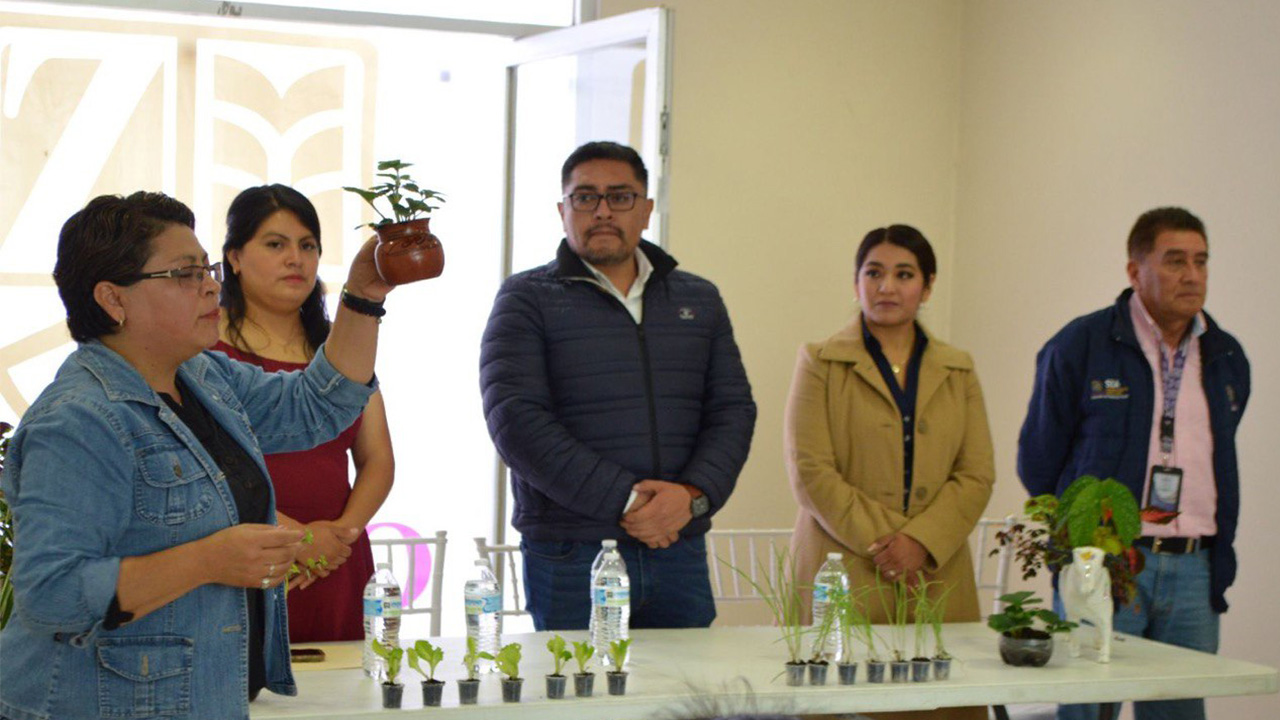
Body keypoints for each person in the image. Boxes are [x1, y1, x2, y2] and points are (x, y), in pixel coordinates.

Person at [0, 191, 392, 720]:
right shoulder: (78, 421)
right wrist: (208, 560)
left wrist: (363, 296)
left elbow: (316, 407)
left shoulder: (202, 375)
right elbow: (52, 594)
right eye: (185, 274)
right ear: (114, 300)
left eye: (205, 267)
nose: (211, 284)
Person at [480, 140, 756, 630]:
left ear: (646, 209)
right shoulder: (526, 298)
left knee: (684, 698)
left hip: (679, 543)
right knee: (579, 699)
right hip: (571, 553)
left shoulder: (699, 298)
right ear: (562, 211)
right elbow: (516, 421)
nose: (603, 211)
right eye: (585, 197)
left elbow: (732, 410)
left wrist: (689, 498)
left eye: (621, 197)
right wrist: (630, 502)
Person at [1018, 207, 1249, 720]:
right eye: (1174, 261)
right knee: (1088, 710)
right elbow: (1039, 463)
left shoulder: (1226, 355)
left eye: (1201, 261)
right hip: (1105, 565)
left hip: (1195, 567)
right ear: (1134, 270)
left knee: (1179, 711)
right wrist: (1083, 539)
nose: (1192, 275)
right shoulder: (1081, 345)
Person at [785, 225, 992, 720]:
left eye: (904, 274)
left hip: (935, 571)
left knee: (937, 703)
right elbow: (810, 470)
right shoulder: (819, 361)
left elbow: (977, 473)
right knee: (840, 700)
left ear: (928, 285)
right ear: (856, 282)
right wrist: (890, 547)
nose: (887, 287)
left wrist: (920, 543)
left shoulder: (958, 368)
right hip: (843, 568)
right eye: (873, 273)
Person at [216, 184, 394, 642]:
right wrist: (295, 537)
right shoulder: (201, 347)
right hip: (248, 551)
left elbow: (377, 459)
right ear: (234, 257)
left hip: (335, 555)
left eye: (307, 245)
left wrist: (338, 537)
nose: (295, 258)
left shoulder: (343, 344)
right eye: (275, 244)